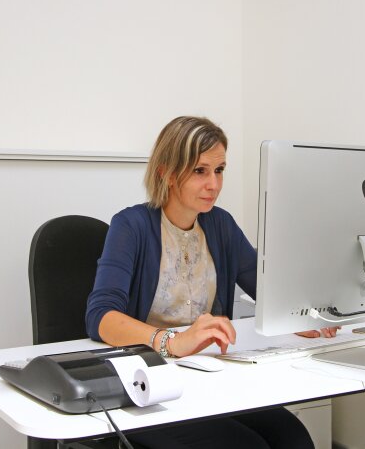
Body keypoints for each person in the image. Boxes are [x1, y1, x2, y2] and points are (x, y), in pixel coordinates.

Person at [86, 116, 328, 449]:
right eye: (200, 171)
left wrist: (307, 314)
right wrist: (172, 342)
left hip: (207, 376)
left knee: (294, 439)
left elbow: (268, 291)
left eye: (219, 170)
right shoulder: (131, 226)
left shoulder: (221, 225)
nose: (214, 184)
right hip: (149, 385)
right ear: (167, 173)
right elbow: (101, 316)